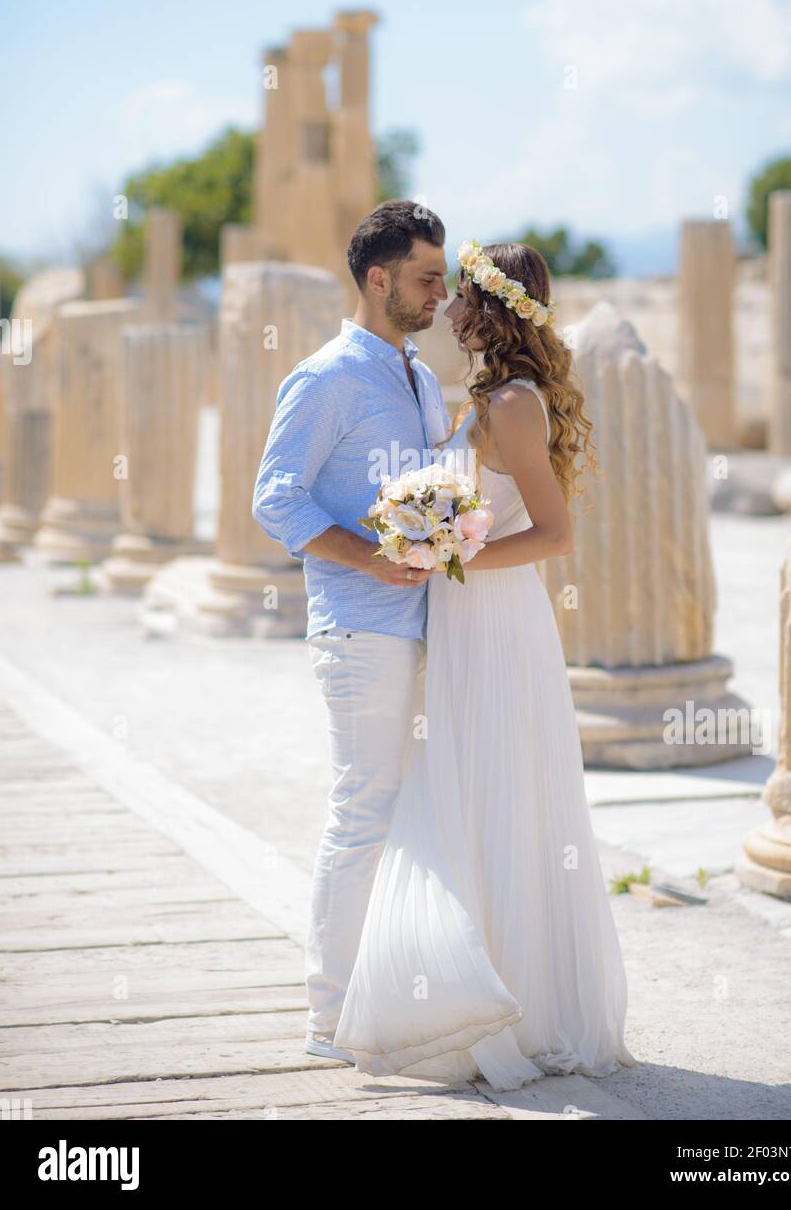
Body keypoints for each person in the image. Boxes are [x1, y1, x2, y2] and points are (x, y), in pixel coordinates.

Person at [331, 240, 638, 1090]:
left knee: (495, 792)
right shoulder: (485, 397)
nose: (449, 305)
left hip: (497, 621)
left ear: (491, 308)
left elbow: (552, 535)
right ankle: (483, 993)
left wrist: (449, 556)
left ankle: (510, 1005)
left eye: (460, 292)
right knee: (472, 790)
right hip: (465, 618)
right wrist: (434, 543)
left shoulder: (511, 403)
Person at [251, 199, 451, 1062]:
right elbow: (275, 496)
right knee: (363, 812)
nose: (441, 293)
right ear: (378, 280)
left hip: (433, 628)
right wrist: (369, 559)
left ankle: (398, 997)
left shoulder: (425, 378)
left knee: (421, 813)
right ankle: (327, 1019)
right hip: (359, 627)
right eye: (426, 278)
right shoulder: (324, 377)